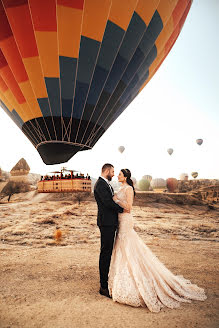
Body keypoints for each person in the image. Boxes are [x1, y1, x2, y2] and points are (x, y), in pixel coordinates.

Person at [108, 168, 207, 312]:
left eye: (120, 174)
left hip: (126, 220)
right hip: (119, 220)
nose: (118, 176)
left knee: (129, 245)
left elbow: (129, 207)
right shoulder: (121, 187)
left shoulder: (129, 189)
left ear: (126, 177)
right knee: (121, 247)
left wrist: (117, 201)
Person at [94, 164, 126, 298]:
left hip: (109, 222)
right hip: (106, 223)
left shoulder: (106, 184)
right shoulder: (100, 185)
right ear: (106, 171)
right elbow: (108, 203)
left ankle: (105, 282)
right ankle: (103, 286)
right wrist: (122, 209)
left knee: (107, 252)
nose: (113, 174)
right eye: (112, 171)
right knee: (105, 253)